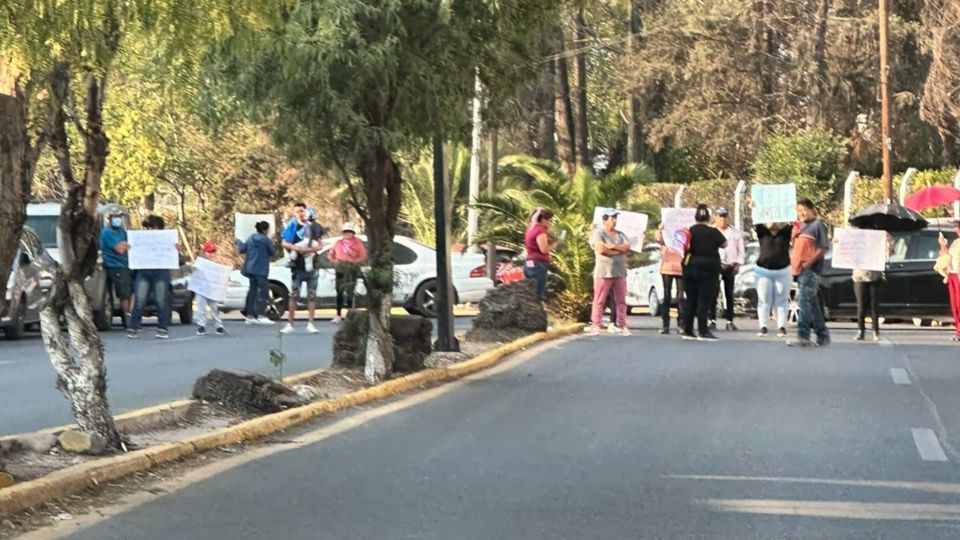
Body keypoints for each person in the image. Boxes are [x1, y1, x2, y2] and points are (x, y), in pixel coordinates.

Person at [787, 198, 831, 347]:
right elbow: (795, 247)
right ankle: (822, 334)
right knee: (812, 304)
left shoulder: (817, 225)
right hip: (799, 271)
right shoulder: (800, 227)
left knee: (804, 302)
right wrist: (793, 235)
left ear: (812, 210)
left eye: (804, 210)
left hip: (810, 271)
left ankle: (803, 335)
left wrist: (809, 262)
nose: (802, 213)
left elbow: (823, 247)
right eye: (799, 211)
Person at [681, 204, 727, 341]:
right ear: (708, 218)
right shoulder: (713, 232)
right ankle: (703, 330)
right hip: (709, 268)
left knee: (690, 299)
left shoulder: (689, 231)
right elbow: (725, 244)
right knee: (704, 300)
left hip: (690, 266)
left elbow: (681, 245)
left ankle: (688, 330)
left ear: (695, 217)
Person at [127, 215, 176, 340]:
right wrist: (130, 249)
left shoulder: (167, 239)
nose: (149, 230)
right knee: (140, 299)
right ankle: (133, 326)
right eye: (147, 228)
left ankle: (162, 327)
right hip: (143, 272)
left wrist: (176, 249)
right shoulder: (140, 239)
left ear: (158, 227)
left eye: (151, 227)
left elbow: (173, 253)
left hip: (161, 272)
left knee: (161, 300)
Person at [585, 209, 631, 336]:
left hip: (620, 272)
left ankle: (622, 325)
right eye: (612, 218)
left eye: (615, 218)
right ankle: (596, 324)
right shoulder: (598, 234)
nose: (614, 221)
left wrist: (612, 247)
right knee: (599, 300)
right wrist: (617, 251)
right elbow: (601, 249)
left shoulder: (621, 234)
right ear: (605, 220)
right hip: (603, 272)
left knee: (621, 300)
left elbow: (627, 247)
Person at [281, 203, 324, 334]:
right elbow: (284, 242)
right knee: (294, 295)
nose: (301, 213)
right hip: (297, 268)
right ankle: (290, 323)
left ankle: (311, 323)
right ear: (294, 213)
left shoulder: (314, 226)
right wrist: (297, 248)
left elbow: (320, 245)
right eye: (298, 211)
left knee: (311, 295)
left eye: (302, 211)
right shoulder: (292, 226)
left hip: (312, 267)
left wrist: (308, 249)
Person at [754, 223, 793, 338]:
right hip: (763, 271)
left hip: (783, 271)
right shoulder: (762, 231)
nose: (774, 221)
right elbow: (756, 219)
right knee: (764, 299)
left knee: (781, 300)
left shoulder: (786, 231)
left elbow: (795, 224)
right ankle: (763, 326)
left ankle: (782, 326)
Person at [709, 208, 745, 331]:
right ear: (716, 218)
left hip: (730, 266)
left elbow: (741, 250)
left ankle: (729, 320)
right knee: (713, 294)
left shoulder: (735, 232)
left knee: (729, 294)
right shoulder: (711, 231)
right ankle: (712, 320)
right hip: (715, 265)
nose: (723, 219)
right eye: (720, 217)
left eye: (724, 217)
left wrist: (738, 264)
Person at [327, 222, 367, 324]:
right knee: (339, 292)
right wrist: (334, 261)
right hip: (340, 269)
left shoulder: (358, 243)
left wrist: (354, 262)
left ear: (353, 233)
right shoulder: (338, 243)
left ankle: (350, 313)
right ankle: (338, 314)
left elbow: (363, 256)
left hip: (351, 269)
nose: (347, 234)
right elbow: (330, 254)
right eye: (345, 232)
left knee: (350, 292)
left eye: (349, 232)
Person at [238, 221, 276, 325]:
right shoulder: (266, 240)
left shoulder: (250, 238)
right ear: (265, 230)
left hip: (250, 268)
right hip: (261, 269)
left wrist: (239, 242)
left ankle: (249, 315)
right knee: (263, 292)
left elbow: (242, 249)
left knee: (252, 292)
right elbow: (272, 252)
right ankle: (261, 315)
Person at [99, 207, 133, 323]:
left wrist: (126, 245)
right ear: (109, 219)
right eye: (115, 217)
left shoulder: (121, 232)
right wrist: (125, 245)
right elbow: (120, 249)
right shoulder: (107, 232)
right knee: (123, 293)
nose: (118, 220)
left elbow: (130, 245)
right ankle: (127, 318)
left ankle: (130, 315)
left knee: (130, 291)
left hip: (126, 265)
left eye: (119, 217)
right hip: (115, 266)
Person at [524, 208, 563, 302]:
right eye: (550, 220)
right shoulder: (540, 231)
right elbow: (544, 249)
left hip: (529, 263)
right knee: (537, 293)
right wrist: (557, 243)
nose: (551, 223)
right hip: (538, 264)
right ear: (543, 219)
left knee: (530, 292)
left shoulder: (530, 228)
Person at [655, 222, 684, 335]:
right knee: (667, 296)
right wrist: (660, 229)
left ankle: (681, 324)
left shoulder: (684, 233)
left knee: (680, 297)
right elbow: (657, 238)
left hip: (681, 267)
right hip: (667, 267)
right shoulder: (665, 233)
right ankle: (665, 325)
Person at [193, 241, 226, 336]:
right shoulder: (200, 262)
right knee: (201, 307)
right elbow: (194, 273)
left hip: (211, 288)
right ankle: (201, 325)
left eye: (213, 252)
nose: (211, 254)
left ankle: (218, 325)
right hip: (201, 288)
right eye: (209, 252)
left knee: (214, 307)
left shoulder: (216, 263)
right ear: (205, 252)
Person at [938, 220, 960, 342]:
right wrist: (942, 244)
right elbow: (946, 257)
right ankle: (958, 330)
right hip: (952, 274)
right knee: (955, 305)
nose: (957, 230)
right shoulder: (956, 242)